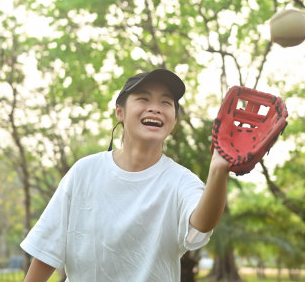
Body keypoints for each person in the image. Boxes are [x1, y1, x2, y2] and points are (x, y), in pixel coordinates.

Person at [20, 68, 230, 282]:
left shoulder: (181, 181)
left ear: (174, 119)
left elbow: (201, 223)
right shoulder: (84, 172)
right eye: (143, 99)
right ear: (120, 112)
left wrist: (218, 170)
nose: (155, 109)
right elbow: (47, 250)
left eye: (166, 103)